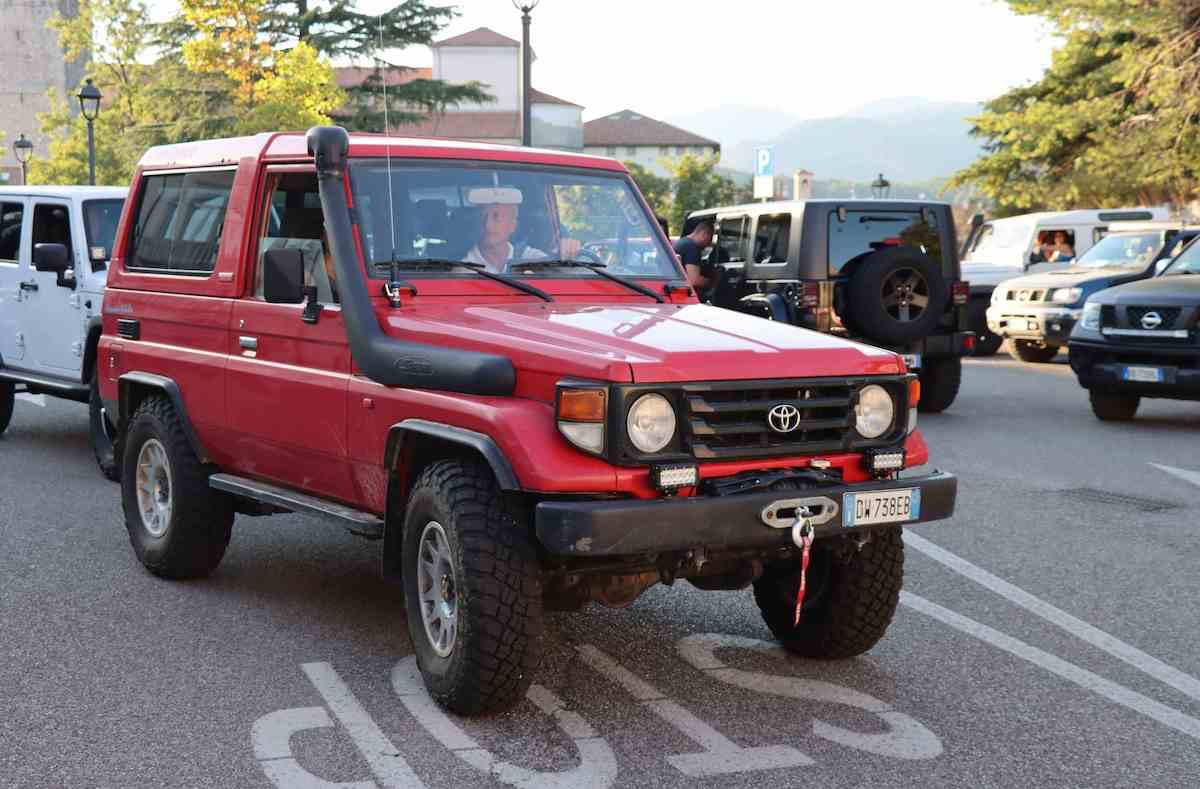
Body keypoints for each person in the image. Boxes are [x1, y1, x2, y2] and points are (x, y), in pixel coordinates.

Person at [463, 202, 580, 272]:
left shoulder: (532, 258)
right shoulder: (463, 268)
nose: (487, 225)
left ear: (512, 225)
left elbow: (565, 280)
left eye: (497, 217)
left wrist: (568, 259)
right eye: (482, 217)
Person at [673, 220, 714, 289]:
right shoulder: (691, 248)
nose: (709, 243)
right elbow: (694, 280)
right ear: (704, 234)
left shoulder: (682, 242)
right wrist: (712, 282)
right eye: (710, 238)